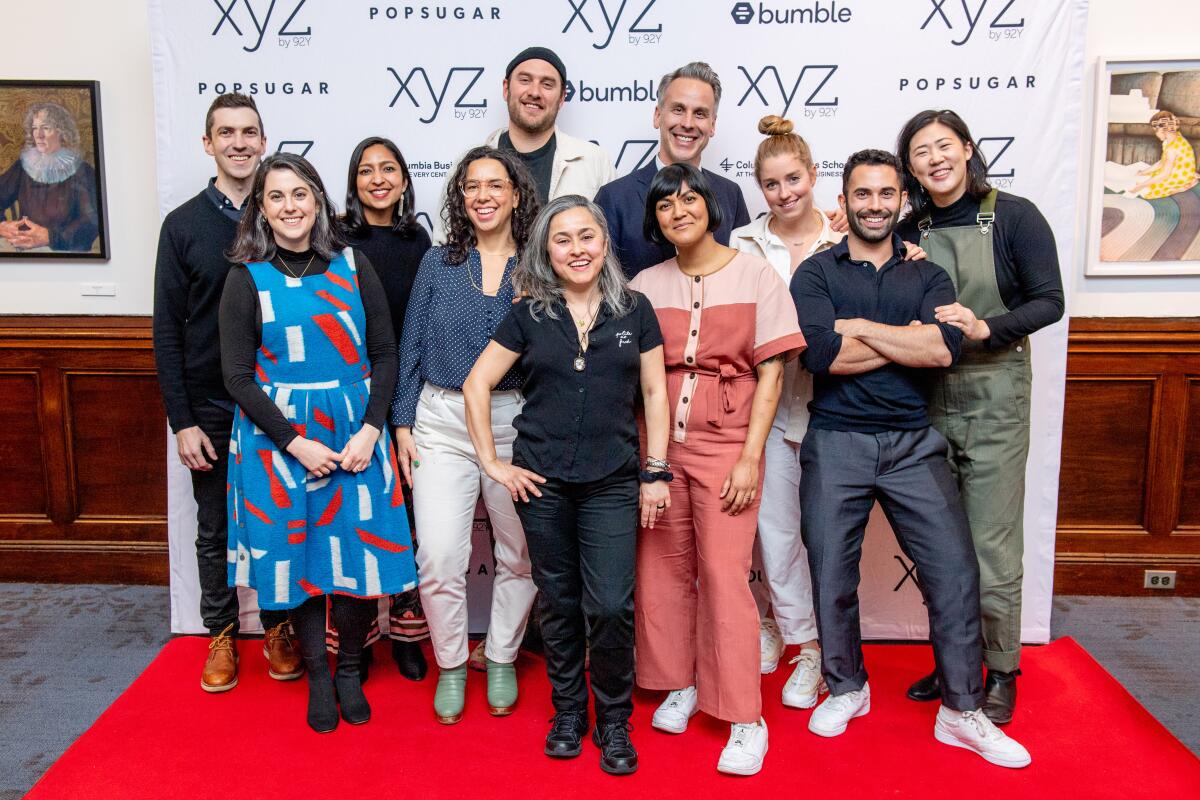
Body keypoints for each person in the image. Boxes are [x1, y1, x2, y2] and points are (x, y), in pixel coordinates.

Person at [791, 149, 1030, 768]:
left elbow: (944, 351)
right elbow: (821, 357)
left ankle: (961, 710)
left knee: (953, 575)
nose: (875, 205)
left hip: (912, 442)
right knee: (833, 577)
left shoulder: (928, 275)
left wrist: (860, 327)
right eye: (862, 195)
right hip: (837, 438)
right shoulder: (814, 274)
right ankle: (847, 688)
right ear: (844, 202)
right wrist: (904, 342)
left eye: (886, 194)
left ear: (903, 200)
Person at [463, 195, 669, 775]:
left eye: (587, 236)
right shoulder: (529, 314)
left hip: (612, 480)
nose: (576, 249)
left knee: (608, 607)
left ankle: (613, 720)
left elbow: (654, 394)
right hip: (541, 483)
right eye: (562, 239)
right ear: (545, 251)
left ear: (604, 243)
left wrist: (655, 472)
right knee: (558, 603)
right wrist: (493, 465)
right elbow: (478, 385)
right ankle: (568, 713)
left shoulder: (635, 309)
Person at [220, 152, 417, 733]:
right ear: (262, 208)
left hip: (356, 432)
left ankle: (351, 668)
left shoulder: (353, 266)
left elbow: (385, 353)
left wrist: (372, 430)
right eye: (276, 197)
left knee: (357, 556)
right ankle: (318, 676)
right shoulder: (245, 277)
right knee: (302, 560)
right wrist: (294, 442)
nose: (290, 207)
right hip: (278, 442)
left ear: (318, 202)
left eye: (300, 194)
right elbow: (235, 375)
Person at [630, 164, 805, 776]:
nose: (678, 211)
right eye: (664, 205)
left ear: (711, 206)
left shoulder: (756, 274)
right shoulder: (645, 284)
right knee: (660, 567)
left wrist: (751, 455)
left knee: (725, 575)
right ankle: (680, 681)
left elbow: (774, 373)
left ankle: (743, 717)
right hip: (658, 447)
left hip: (728, 443)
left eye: (688, 200)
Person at [895, 109, 1065, 724]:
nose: (934, 159)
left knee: (991, 546)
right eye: (920, 152)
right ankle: (954, 661)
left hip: (994, 389)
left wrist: (989, 328)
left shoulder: (1014, 215)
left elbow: (1050, 300)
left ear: (967, 149)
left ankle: (1002, 670)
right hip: (928, 391)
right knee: (943, 547)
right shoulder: (910, 227)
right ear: (909, 166)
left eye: (944, 146)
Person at [152, 93, 302, 693]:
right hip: (211, 407)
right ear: (207, 143)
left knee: (275, 525)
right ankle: (219, 632)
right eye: (226, 133)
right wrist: (181, 419)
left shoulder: (284, 218)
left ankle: (277, 627)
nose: (239, 142)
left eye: (249, 132)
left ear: (264, 142)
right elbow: (166, 329)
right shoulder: (183, 225)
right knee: (214, 526)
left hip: (277, 406)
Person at [390, 146, 541, 725]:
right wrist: (403, 421)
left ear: (515, 194)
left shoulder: (540, 262)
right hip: (441, 421)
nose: (483, 195)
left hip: (514, 422)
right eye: (472, 186)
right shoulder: (438, 261)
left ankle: (499, 655)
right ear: (460, 196)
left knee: (518, 553)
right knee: (438, 555)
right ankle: (451, 663)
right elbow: (412, 343)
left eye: (494, 185)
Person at [335, 135, 434, 681]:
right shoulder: (335, 239)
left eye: (388, 168)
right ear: (353, 182)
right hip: (353, 393)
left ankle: (408, 634)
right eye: (366, 170)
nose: (378, 179)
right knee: (355, 520)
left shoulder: (417, 239)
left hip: (408, 392)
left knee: (409, 521)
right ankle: (355, 638)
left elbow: (420, 326)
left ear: (402, 178)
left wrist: (406, 406)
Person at [595, 62, 749, 278]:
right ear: (658, 115)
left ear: (712, 125)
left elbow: (744, 276)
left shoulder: (730, 194)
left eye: (700, 114)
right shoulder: (614, 198)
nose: (687, 123)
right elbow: (600, 284)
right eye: (678, 110)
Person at [483, 46, 616, 204]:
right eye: (525, 80)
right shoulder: (470, 165)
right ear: (506, 89)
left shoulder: (595, 162)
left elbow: (610, 228)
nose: (534, 92)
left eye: (547, 84)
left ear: (561, 98)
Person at [0, 101, 99, 252]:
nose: (38, 135)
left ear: (61, 131)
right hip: (23, 249)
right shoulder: (23, 165)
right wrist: (2, 226)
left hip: (65, 252)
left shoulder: (82, 171)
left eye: (46, 128)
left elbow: (92, 221)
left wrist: (49, 237)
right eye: (35, 128)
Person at [1128, 110, 1198, 199]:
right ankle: (1187, 180)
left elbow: (1165, 174)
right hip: (1180, 169)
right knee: (1147, 177)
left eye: (1155, 131)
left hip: (1179, 175)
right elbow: (1162, 162)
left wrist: (1140, 186)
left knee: (1147, 193)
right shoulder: (1171, 139)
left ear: (1161, 130)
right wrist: (1143, 172)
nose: (1155, 134)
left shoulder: (1172, 148)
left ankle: (1180, 188)